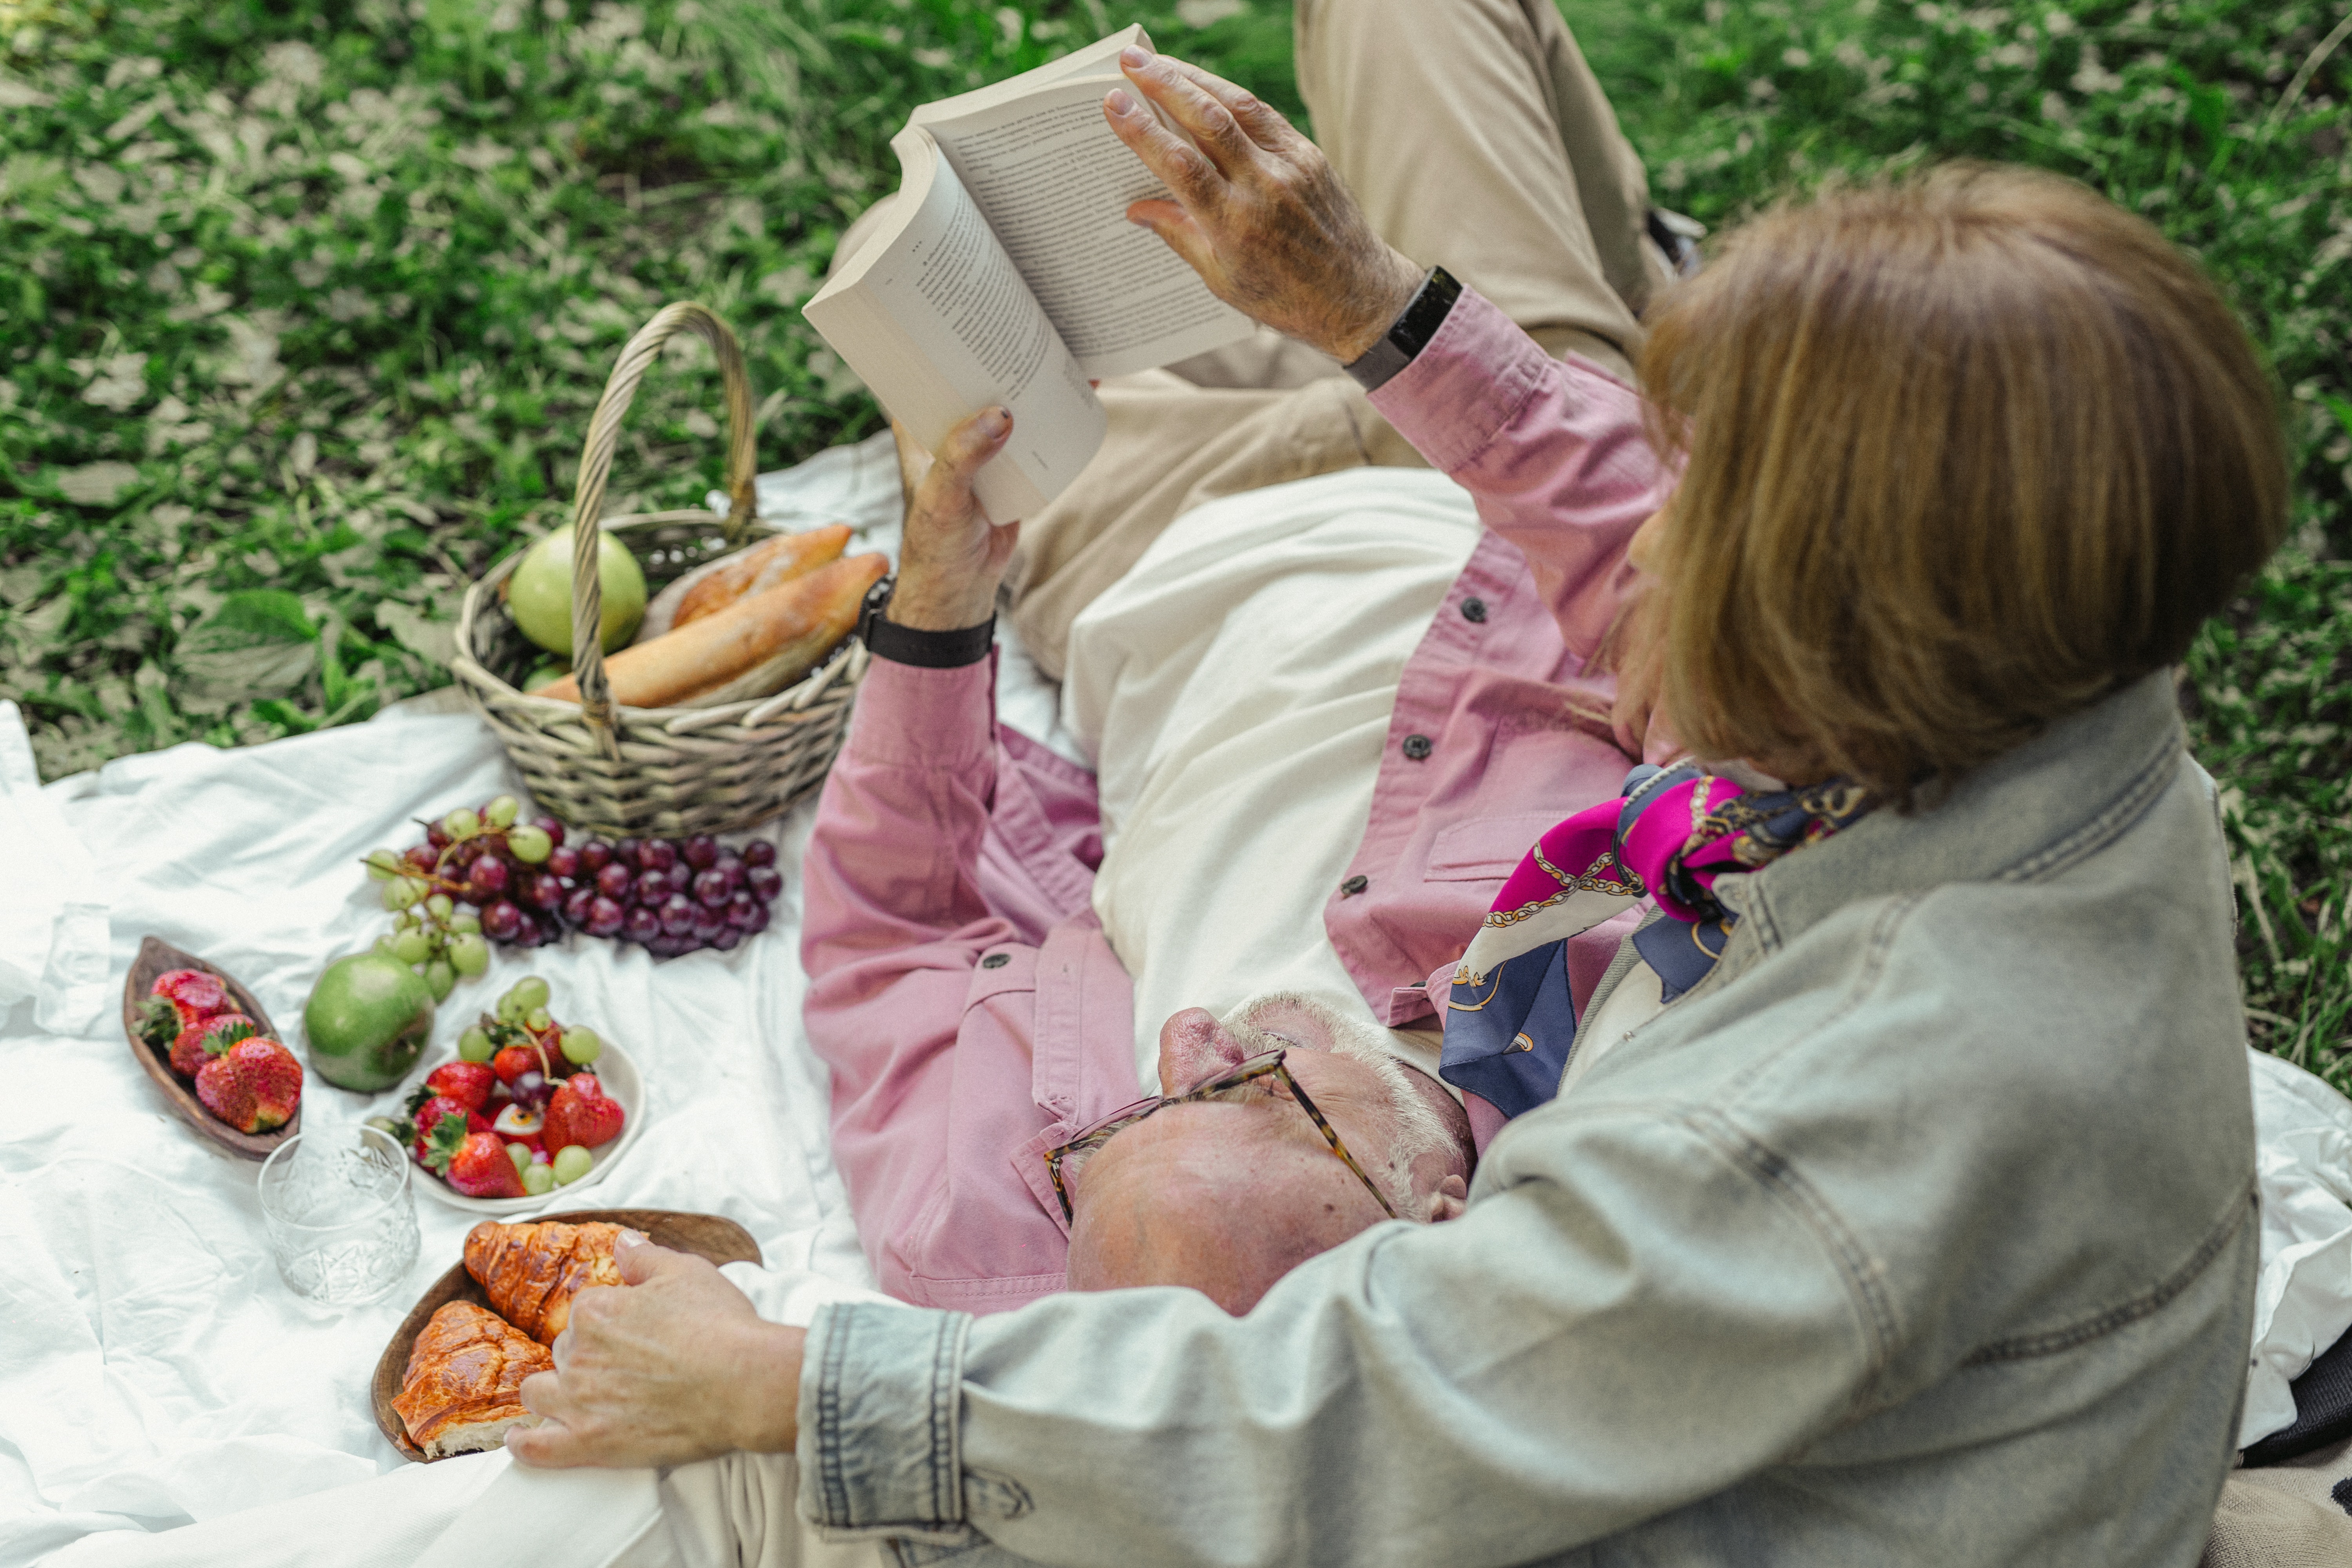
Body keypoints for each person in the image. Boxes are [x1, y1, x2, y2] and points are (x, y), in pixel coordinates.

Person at [506, 33, 2300, 1568]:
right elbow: (1614, 534)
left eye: (1704, 527)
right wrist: (1376, 315)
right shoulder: (2037, 699)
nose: (1216, 1032)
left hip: (1186, 546)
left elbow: (1345, 1414)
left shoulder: (1750, 1144)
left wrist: (787, 1381)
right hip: (1355, 500)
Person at [796, 0, 1685, 1318]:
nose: (1184, 1037)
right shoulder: (1642, 1057)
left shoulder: (1000, 1250)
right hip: (1498, 483)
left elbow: (882, 942)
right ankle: (1637, 299)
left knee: (901, 252)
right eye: (1240, 1091)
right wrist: (1384, 319)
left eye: (1126, 1122)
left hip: (1151, 537)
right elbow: (1705, 619)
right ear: (1434, 1218)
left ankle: (1557, 277)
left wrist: (934, 611)